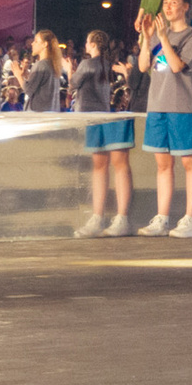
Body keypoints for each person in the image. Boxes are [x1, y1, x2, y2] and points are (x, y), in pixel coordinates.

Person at [135, 0, 192, 236]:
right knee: (163, 164)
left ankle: (190, 219)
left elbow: (177, 66)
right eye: (165, 2)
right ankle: (162, 218)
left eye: (174, 2)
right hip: (157, 105)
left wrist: (164, 38)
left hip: (182, 106)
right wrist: (148, 38)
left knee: (189, 162)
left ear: (186, 7)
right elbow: (144, 65)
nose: (167, 7)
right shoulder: (157, 35)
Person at [71, 29, 134, 237]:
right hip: (106, 115)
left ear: (92, 44)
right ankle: (111, 217)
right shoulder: (108, 64)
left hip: (93, 117)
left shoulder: (87, 64)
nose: (85, 45)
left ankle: (103, 217)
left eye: (87, 42)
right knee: (112, 166)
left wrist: (67, 69)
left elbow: (72, 84)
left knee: (104, 166)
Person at [17, 29, 67, 113]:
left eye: (36, 41)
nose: (32, 43)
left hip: (38, 116)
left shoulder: (41, 65)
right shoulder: (54, 65)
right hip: (51, 112)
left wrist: (18, 74)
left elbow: (28, 89)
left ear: (45, 44)